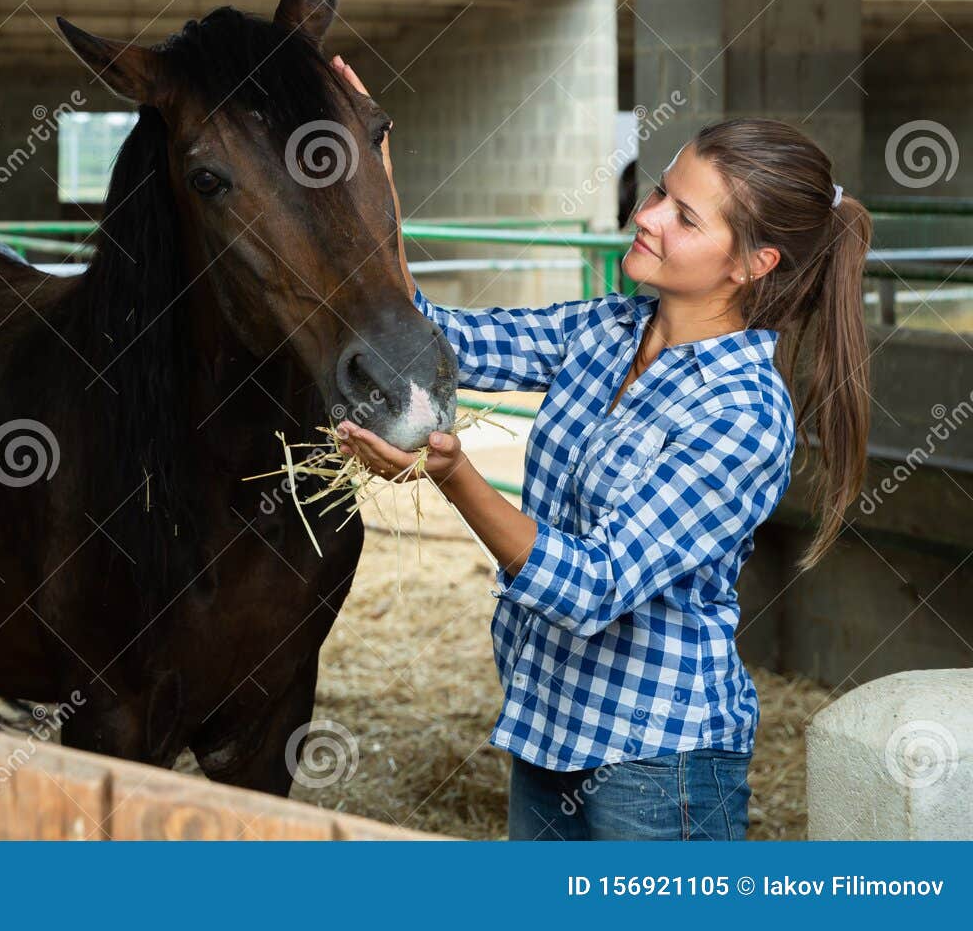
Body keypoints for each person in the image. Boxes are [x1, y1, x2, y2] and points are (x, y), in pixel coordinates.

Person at [329, 55, 872, 841]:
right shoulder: (607, 329)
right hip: (550, 728)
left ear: (753, 264)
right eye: (659, 192)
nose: (647, 216)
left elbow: (596, 583)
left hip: (659, 767)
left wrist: (454, 474)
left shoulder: (743, 412)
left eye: (686, 217)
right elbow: (431, 336)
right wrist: (372, 180)